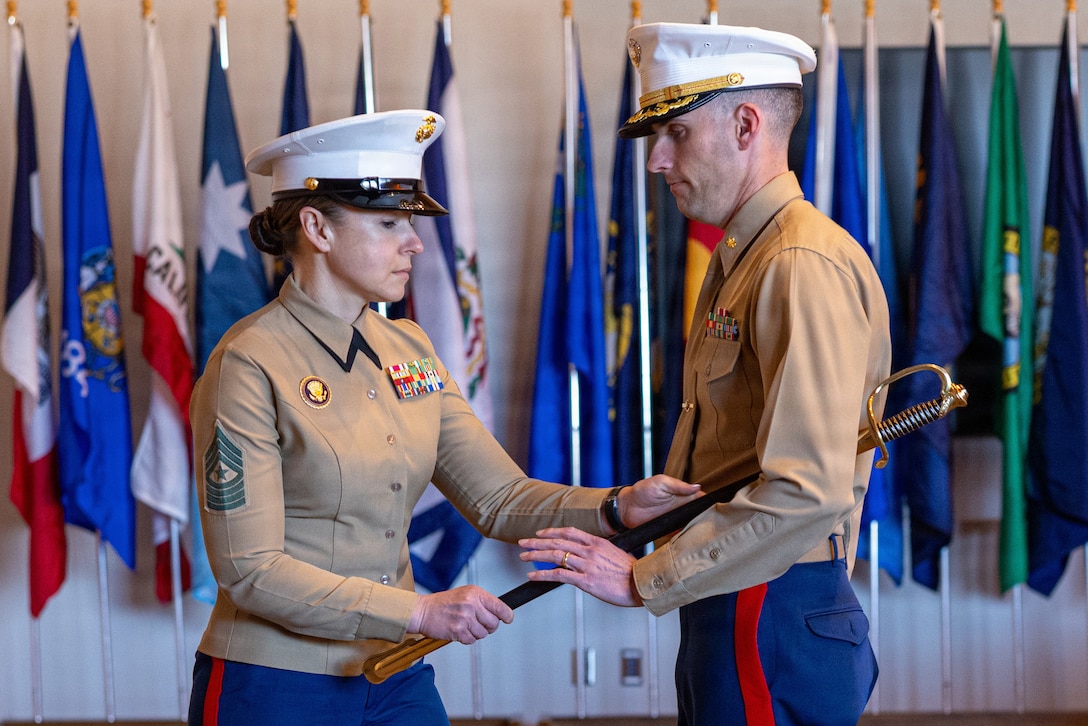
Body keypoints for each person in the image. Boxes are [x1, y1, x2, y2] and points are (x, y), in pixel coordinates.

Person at [186, 109, 700, 726]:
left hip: (396, 670)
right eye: (388, 223)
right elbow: (250, 571)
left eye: (411, 223)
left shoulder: (410, 349)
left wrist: (618, 507)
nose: (415, 243)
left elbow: (501, 499)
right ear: (317, 227)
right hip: (275, 684)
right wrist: (419, 613)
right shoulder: (248, 362)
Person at [519, 23, 892, 725]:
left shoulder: (795, 264)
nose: (658, 159)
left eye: (678, 133)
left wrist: (644, 579)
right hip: (739, 588)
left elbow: (805, 491)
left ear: (746, 124)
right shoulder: (745, 257)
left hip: (767, 601)